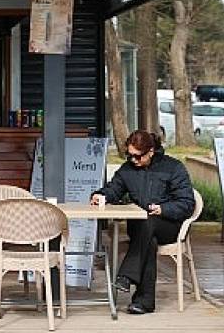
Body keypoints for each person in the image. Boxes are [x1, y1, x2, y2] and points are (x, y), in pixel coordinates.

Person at [91, 130, 195, 315]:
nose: (133, 160)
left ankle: (126, 275)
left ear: (151, 152)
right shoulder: (127, 170)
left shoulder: (173, 168)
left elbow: (187, 203)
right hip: (141, 228)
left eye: (138, 156)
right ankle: (143, 302)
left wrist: (163, 209)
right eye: (129, 155)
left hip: (169, 225)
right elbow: (114, 189)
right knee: (148, 237)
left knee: (149, 223)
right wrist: (101, 196)